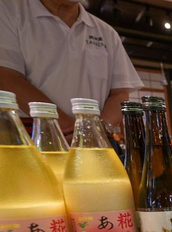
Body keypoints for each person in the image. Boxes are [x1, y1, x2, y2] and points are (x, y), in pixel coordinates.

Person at [0, 0, 143, 136]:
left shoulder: (106, 32)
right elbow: (8, 77)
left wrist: (98, 130)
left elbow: (120, 93)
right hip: (30, 131)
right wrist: (69, 129)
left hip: (95, 137)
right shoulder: (10, 9)